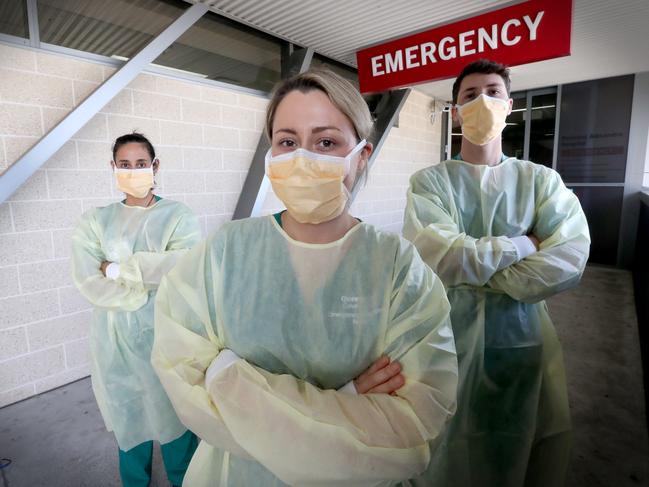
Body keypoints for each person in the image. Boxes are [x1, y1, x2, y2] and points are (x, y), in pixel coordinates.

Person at [151, 69, 459, 486]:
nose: (303, 158)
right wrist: (347, 402)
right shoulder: (225, 252)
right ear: (272, 153)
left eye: (326, 142)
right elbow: (184, 380)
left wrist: (230, 379)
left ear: (362, 155)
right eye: (288, 142)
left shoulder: (396, 268)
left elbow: (414, 426)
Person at [403, 59, 591, 487]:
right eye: (470, 95)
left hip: (521, 339)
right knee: (444, 440)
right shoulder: (430, 183)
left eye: (492, 92)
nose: (482, 102)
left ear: (510, 105)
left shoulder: (541, 182)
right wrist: (523, 246)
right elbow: (437, 256)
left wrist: (471, 267)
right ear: (454, 111)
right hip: (445, 334)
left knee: (518, 436)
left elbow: (567, 261)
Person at [70, 133, 202, 487]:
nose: (133, 171)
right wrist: (143, 287)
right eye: (124, 165)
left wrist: (116, 270)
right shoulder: (95, 222)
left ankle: (184, 480)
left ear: (155, 166)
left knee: (175, 414)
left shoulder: (177, 216)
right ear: (113, 168)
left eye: (140, 164)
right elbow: (86, 279)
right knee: (128, 414)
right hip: (114, 342)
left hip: (169, 333)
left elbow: (183, 266)